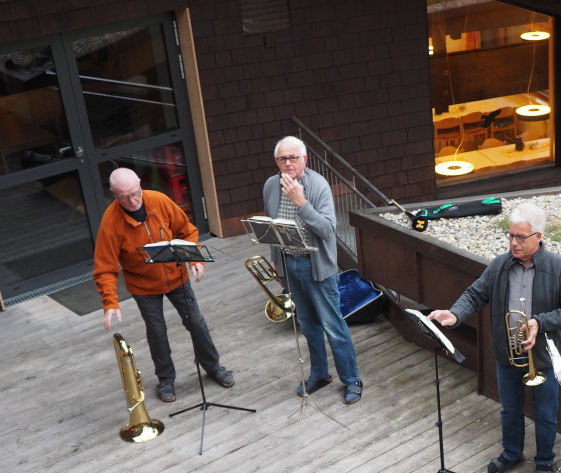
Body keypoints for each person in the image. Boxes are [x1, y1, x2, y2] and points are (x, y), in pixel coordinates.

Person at [428, 202, 561, 473]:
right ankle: (512, 453)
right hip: (508, 355)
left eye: (520, 237)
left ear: (538, 236)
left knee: (545, 414)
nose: (514, 242)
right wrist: (455, 314)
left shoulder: (559, 268)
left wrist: (540, 322)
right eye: (511, 235)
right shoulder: (500, 265)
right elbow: (475, 294)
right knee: (510, 409)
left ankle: (544, 461)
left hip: (544, 357)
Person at [94, 167, 233, 403]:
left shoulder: (159, 200)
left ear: (140, 183)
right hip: (143, 287)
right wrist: (110, 302)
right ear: (113, 194)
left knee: (196, 322)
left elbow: (187, 232)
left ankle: (213, 366)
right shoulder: (111, 221)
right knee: (157, 332)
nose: (132, 201)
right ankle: (166, 380)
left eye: (135, 193)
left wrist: (193, 258)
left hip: (176, 276)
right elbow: (104, 266)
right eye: (124, 197)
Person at [262, 136, 363, 404]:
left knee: (333, 325)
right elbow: (273, 228)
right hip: (289, 264)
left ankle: (352, 379)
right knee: (307, 324)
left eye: (293, 158)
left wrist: (301, 202)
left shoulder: (318, 185)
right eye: (282, 159)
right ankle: (320, 374)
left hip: (315, 266)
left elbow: (328, 231)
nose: (288, 163)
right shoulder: (270, 185)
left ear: (304, 160)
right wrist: (277, 264)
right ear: (276, 162)